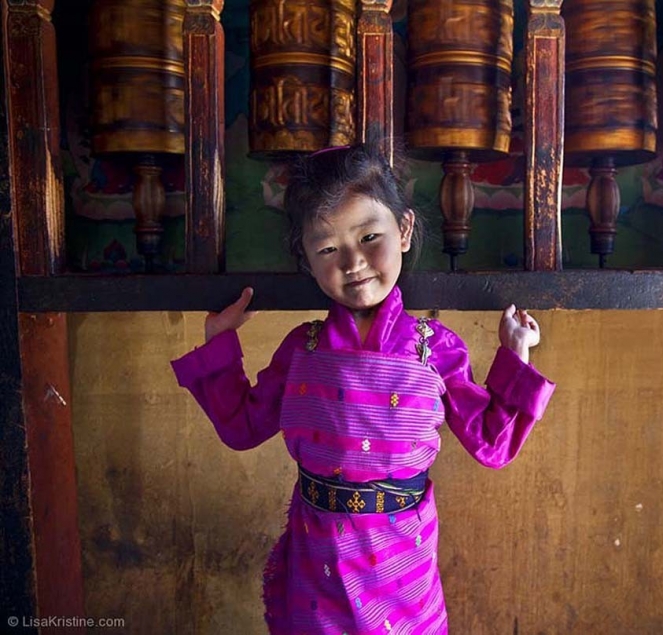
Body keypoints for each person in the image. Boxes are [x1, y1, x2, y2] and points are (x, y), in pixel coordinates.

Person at [170, 143, 555, 634]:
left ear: (406, 230)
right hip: (317, 565)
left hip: (403, 565)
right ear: (306, 258)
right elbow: (243, 427)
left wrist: (515, 354)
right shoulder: (302, 348)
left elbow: (492, 444)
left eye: (370, 236)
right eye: (328, 248)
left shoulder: (432, 347)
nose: (353, 262)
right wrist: (219, 343)